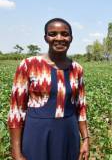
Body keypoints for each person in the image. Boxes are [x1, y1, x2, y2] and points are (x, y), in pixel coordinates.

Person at [7, 18, 89, 160]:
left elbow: (80, 107)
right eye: (53, 34)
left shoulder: (77, 69)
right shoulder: (29, 65)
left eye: (64, 34)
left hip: (68, 134)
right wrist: (16, 151)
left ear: (71, 38)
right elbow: (16, 110)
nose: (59, 38)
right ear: (45, 38)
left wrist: (86, 139)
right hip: (36, 134)